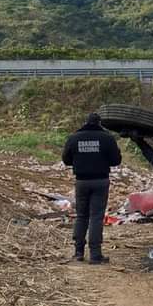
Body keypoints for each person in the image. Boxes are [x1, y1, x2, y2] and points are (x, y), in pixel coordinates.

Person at [62, 112, 121, 263]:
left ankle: (78, 252)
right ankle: (95, 255)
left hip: (81, 181)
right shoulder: (107, 138)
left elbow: (66, 159)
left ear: (86, 122)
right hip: (100, 181)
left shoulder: (74, 138)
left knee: (82, 216)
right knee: (96, 216)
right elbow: (116, 160)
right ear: (99, 123)